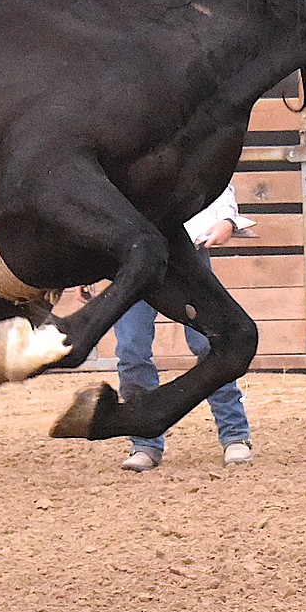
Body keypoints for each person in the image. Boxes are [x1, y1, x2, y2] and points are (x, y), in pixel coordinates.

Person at [113, 184, 255, 471]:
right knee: (131, 349)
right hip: (131, 254)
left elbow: (212, 173)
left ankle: (234, 434)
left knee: (209, 344)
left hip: (185, 251)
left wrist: (227, 219)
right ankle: (144, 441)